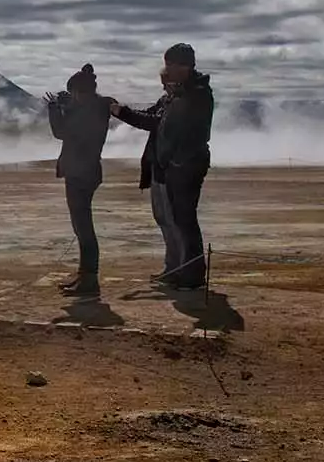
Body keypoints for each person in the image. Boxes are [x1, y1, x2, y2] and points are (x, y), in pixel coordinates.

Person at [112, 43, 215, 290]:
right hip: (165, 167)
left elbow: (159, 123)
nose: (166, 69)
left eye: (171, 64)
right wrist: (123, 111)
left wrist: (120, 111)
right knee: (167, 219)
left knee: (183, 221)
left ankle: (190, 275)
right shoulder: (174, 95)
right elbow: (152, 116)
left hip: (183, 167)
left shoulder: (195, 94)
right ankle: (174, 268)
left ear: (185, 66)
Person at [46, 64, 114, 296]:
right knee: (81, 227)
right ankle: (85, 275)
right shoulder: (95, 107)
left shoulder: (91, 111)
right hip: (83, 171)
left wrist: (55, 109)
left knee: (84, 229)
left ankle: (90, 279)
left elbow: (61, 132)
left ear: (80, 92)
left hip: (81, 172)